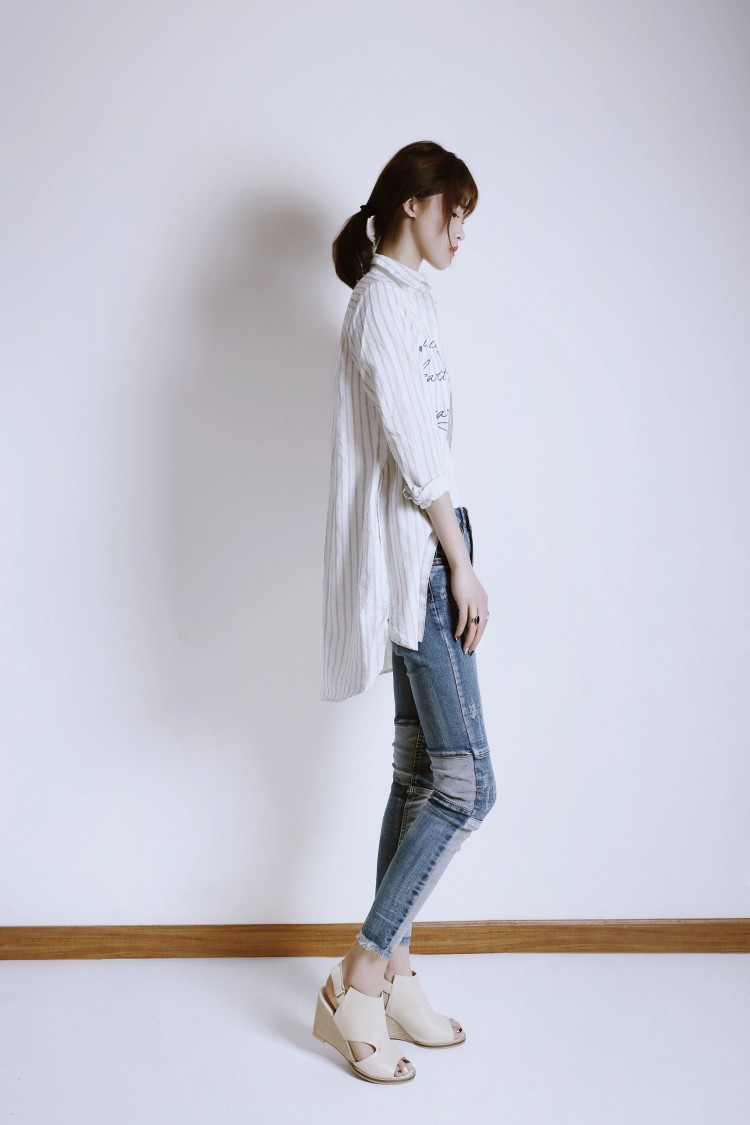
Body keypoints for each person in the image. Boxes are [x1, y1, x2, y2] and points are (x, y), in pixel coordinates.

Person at [314, 141, 496, 1084]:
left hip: (428, 547)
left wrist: (453, 547)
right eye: (454, 211)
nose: (461, 230)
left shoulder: (410, 301)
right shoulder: (381, 305)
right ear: (416, 204)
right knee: (469, 786)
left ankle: (396, 968)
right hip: (422, 557)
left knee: (422, 771)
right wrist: (458, 561)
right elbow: (418, 450)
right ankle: (358, 977)